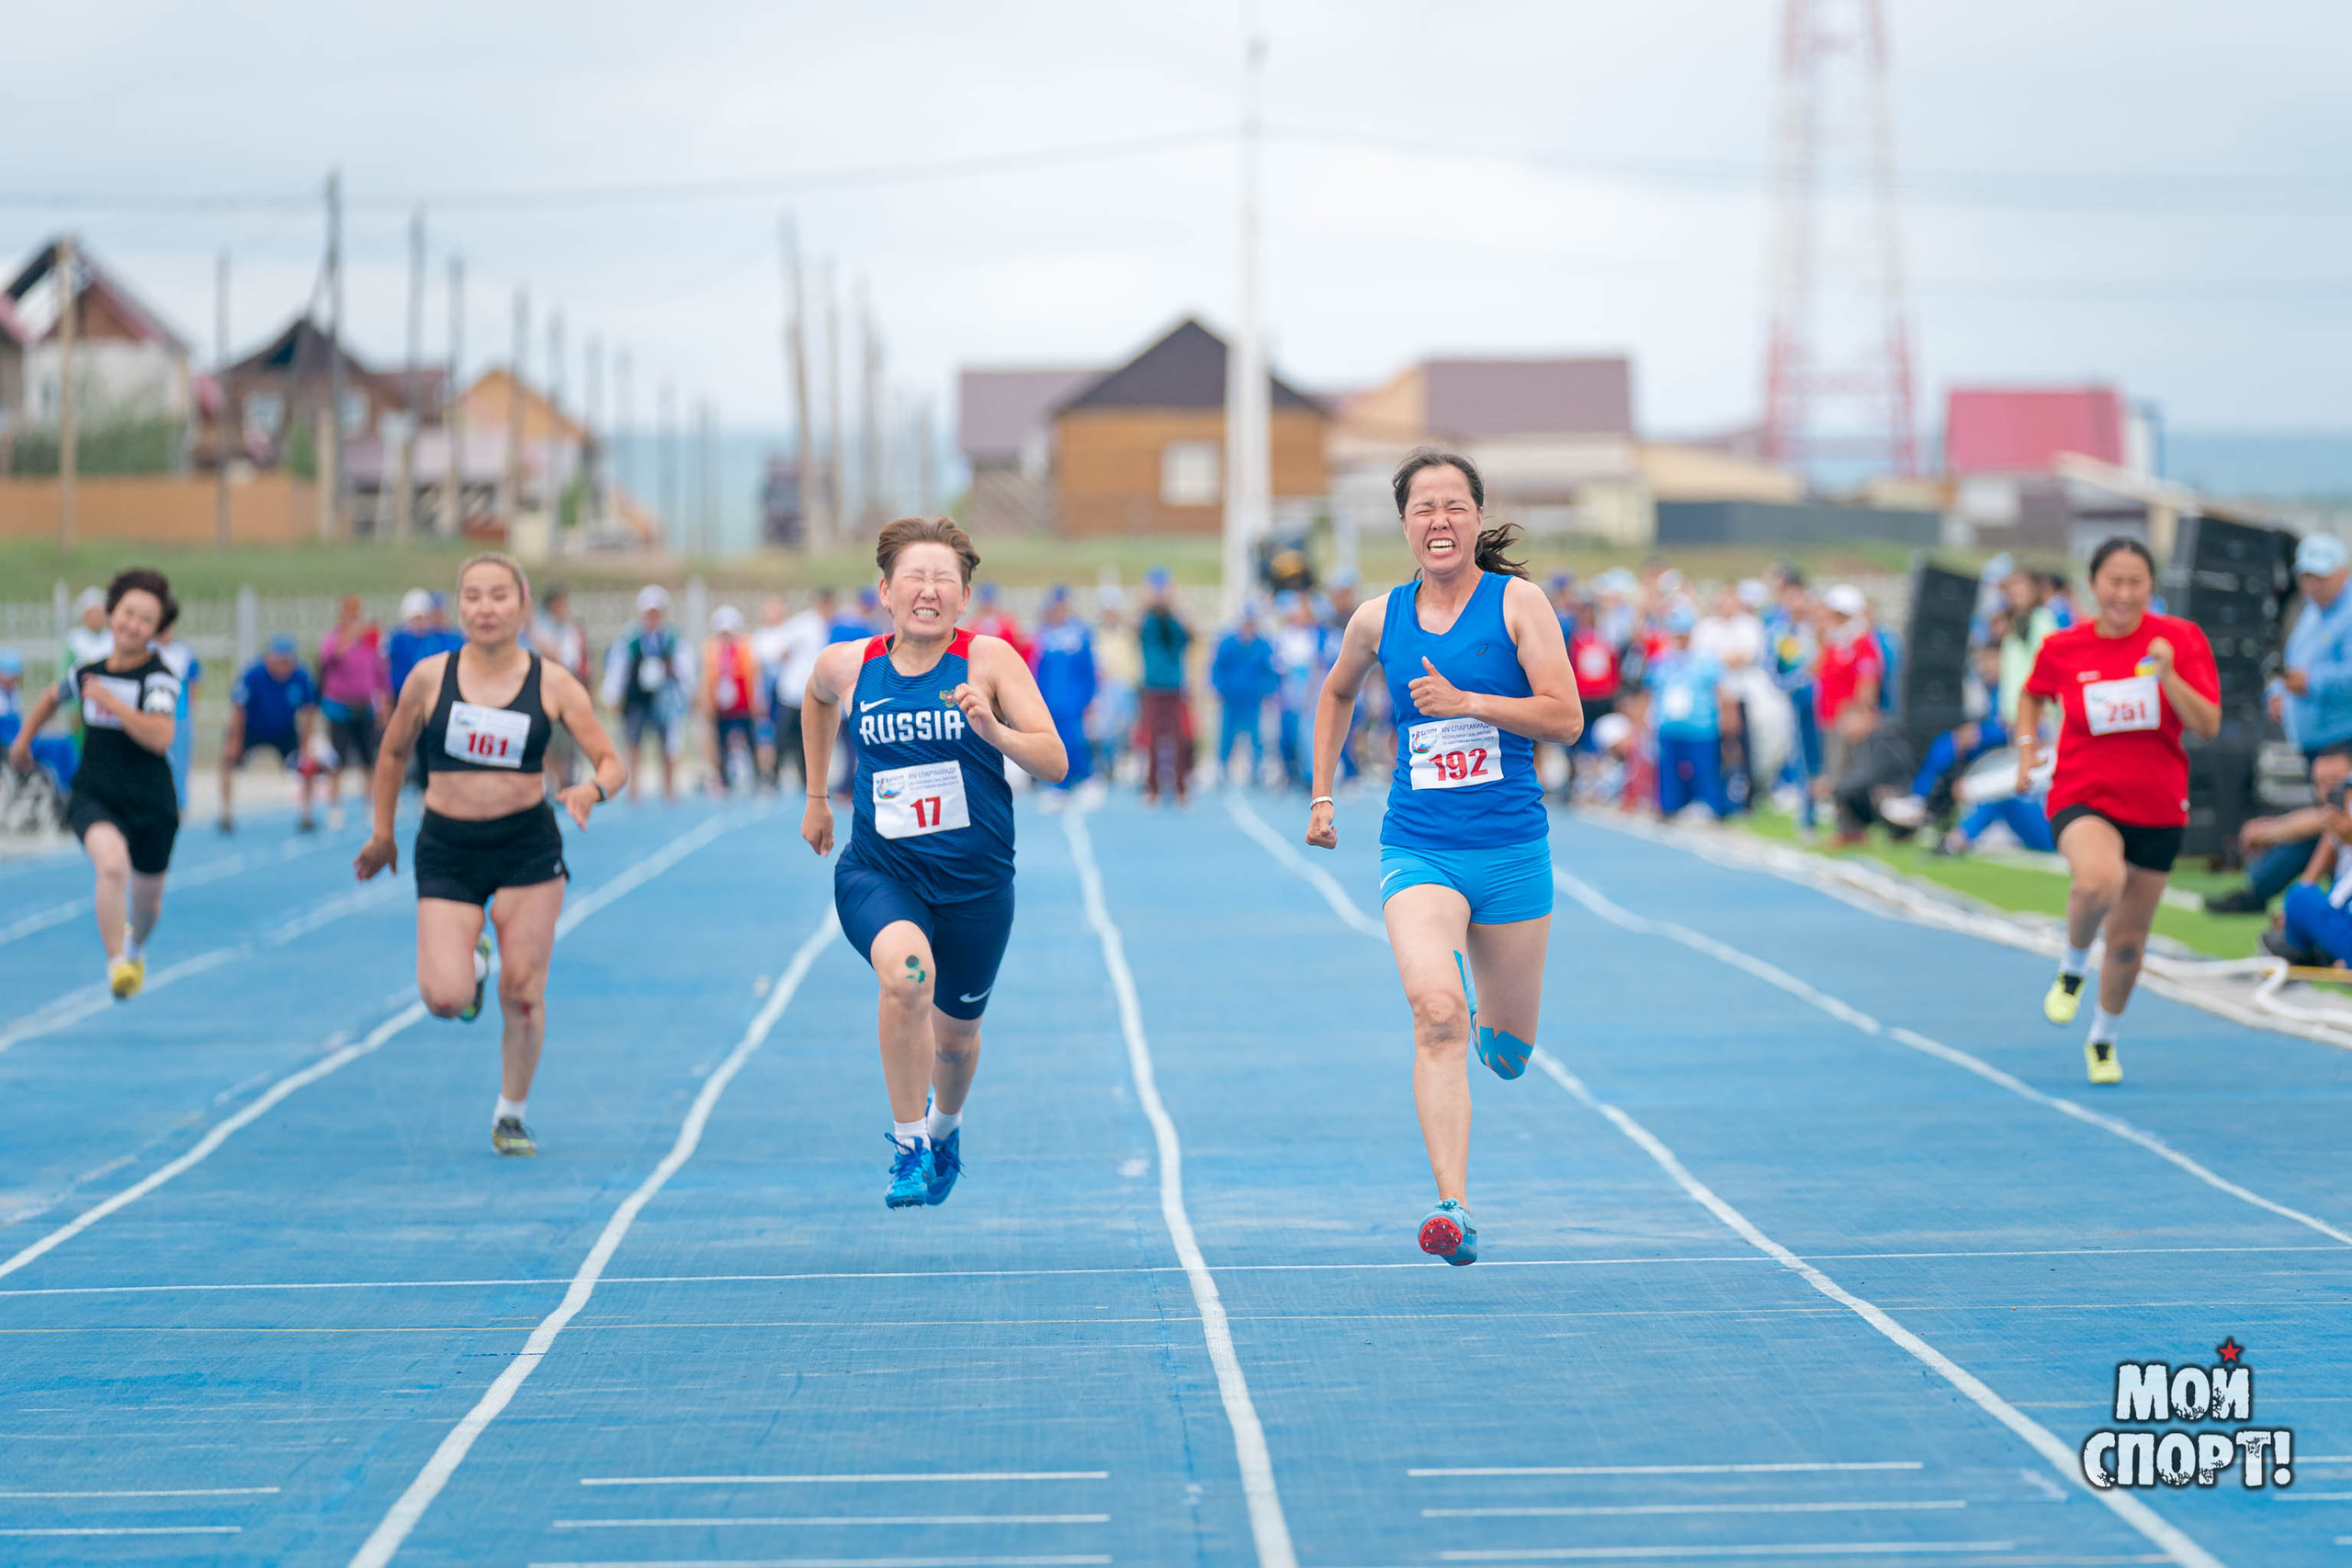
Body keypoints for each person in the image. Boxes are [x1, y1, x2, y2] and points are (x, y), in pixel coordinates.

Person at [1305, 450, 1581, 1267]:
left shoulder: (1519, 604)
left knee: (1505, 1051)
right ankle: (1453, 1206)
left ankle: (1505, 1037)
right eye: (1424, 507)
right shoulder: (1375, 618)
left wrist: (1471, 703)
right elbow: (1337, 693)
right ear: (1405, 524)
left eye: (1454, 505)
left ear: (1475, 517)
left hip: (1512, 852)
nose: (1439, 520)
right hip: (1419, 847)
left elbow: (1565, 716)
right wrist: (1323, 793)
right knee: (1436, 1013)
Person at [797, 517, 1068, 1209]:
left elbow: (1057, 761)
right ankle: (909, 1143)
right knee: (906, 978)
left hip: (976, 887)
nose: (929, 589)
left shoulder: (990, 662)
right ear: (885, 592)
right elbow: (815, 697)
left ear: (964, 596)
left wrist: (995, 729)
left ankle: (944, 1129)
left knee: (955, 1044)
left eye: (944, 578)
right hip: (880, 873)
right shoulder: (849, 664)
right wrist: (816, 796)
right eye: (914, 577)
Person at [354, 553, 628, 1157]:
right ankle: (472, 962)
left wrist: (591, 789)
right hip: (448, 847)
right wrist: (382, 832)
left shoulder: (552, 681)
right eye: (473, 596)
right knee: (445, 998)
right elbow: (394, 752)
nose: (486, 607)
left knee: (524, 990)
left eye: (499, 595)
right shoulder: (429, 677)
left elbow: (612, 761)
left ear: (523, 604)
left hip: (527, 846)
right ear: (459, 606)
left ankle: (511, 1112)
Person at [2015, 536, 2221, 1085]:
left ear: (2152, 587)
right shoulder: (2065, 647)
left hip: (2157, 806)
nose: (2124, 594)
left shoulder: (2180, 640)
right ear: (2094, 584)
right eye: (2114, 582)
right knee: (2096, 880)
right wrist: (2026, 746)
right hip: (2084, 795)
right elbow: (2032, 695)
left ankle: (2103, 1038)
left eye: (2136, 583)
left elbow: (2207, 725)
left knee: (2128, 942)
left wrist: (2169, 676)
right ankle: (2072, 968)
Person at [8, 570, 185, 999]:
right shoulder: (87, 672)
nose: (133, 625)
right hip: (95, 794)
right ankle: (116, 964)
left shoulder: (158, 678)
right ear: (110, 614)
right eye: (127, 613)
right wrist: (23, 740)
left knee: (146, 903)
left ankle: (135, 947)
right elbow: (52, 698)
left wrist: (113, 704)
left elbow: (161, 735)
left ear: (156, 630)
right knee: (111, 865)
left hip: (151, 803)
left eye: (146, 619)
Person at [2206, 534, 2352, 914]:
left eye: (2321, 576)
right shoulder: (2310, 612)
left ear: (2343, 572)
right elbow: (2290, 666)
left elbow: (2326, 674)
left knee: (2334, 824)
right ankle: (2308, 902)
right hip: (2317, 743)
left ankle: (2292, 898)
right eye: (2307, 577)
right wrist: (2279, 691)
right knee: (2330, 826)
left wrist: (2312, 682)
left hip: (2343, 741)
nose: (2312, 584)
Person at [219, 634, 321, 833]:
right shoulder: (253, 675)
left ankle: (306, 815)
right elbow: (239, 708)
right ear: (269, 658)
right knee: (226, 760)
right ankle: (226, 814)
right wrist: (235, 741)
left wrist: (306, 744)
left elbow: (309, 710)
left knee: (307, 764)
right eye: (280, 660)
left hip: (284, 730)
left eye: (287, 661)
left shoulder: (300, 676)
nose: (284, 666)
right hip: (252, 728)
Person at [601, 585, 689, 805]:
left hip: (664, 699)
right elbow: (617, 668)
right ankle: (634, 789)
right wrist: (612, 696)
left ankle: (670, 789)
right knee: (634, 743)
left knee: (668, 744)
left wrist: (685, 694)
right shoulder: (630, 638)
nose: (652, 617)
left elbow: (685, 669)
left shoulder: (672, 638)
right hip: (637, 699)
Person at [1646, 606, 1733, 819]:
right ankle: (1669, 807)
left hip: (1700, 726)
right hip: (1669, 725)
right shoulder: (1661, 661)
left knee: (1705, 769)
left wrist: (1726, 719)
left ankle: (1715, 808)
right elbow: (1651, 691)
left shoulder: (1706, 661)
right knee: (1668, 770)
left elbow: (1720, 691)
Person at [317, 594, 390, 829]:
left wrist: (383, 703)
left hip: (365, 707)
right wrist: (348, 635)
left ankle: (370, 806)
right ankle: (335, 807)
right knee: (337, 761)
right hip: (340, 707)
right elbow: (328, 659)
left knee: (369, 759)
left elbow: (380, 673)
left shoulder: (369, 643)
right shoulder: (333, 639)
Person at [1028, 585, 1098, 807]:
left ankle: (1085, 779)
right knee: (1052, 744)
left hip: (1074, 700)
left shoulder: (1079, 634)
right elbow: (1037, 670)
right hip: (1050, 700)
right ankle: (1058, 786)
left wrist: (1089, 698)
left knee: (1075, 741)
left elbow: (1088, 670)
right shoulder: (1044, 635)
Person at [1136, 567, 1194, 807]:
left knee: (1179, 738)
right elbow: (1136, 626)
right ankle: (1152, 788)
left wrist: (1173, 607)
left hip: (1174, 686)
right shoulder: (1146, 620)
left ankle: (1181, 787)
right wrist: (1150, 603)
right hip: (1152, 687)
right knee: (1151, 739)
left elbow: (1191, 635)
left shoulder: (1176, 620)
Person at [528, 584, 594, 790]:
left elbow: (576, 659)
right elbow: (550, 654)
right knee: (548, 738)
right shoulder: (540, 627)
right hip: (545, 686)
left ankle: (565, 780)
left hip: (567, 685)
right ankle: (550, 781)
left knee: (566, 740)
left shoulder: (570, 629)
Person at [1210, 606, 1277, 785]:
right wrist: (1218, 688)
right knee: (1227, 735)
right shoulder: (1228, 643)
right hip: (1231, 698)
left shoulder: (1262, 645)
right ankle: (1222, 767)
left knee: (1256, 736)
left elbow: (1270, 671)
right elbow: (1217, 668)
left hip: (1253, 698)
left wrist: (1267, 691)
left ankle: (1256, 769)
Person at [699, 604, 760, 794]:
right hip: (721, 707)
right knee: (720, 744)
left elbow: (755, 677)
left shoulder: (746, 648)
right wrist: (706, 702)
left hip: (743, 705)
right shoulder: (711, 649)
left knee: (751, 741)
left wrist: (757, 700)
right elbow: (705, 678)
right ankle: (723, 778)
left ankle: (758, 777)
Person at [1272, 590, 1324, 788]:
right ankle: (1291, 772)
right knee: (1287, 732)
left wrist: (1310, 691)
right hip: (1289, 686)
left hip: (1309, 687)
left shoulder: (1315, 634)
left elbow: (1318, 664)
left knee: (1307, 732)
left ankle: (1310, 775)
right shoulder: (1283, 636)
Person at [153, 609, 200, 812]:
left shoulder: (183, 651)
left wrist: (191, 707)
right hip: (154, 712)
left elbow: (193, 681)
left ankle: (179, 801)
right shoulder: (147, 650)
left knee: (180, 759)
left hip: (179, 712)